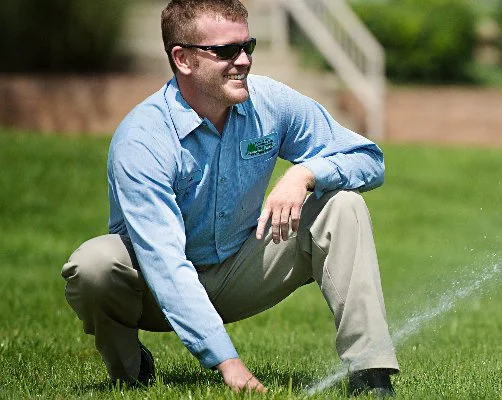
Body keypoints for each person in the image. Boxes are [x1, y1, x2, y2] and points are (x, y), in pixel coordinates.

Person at [60, 0, 399, 395]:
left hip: (243, 268)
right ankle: (132, 371)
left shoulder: (270, 102)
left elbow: (368, 159)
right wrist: (227, 362)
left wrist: (306, 174)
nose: (243, 61)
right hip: (153, 288)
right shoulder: (142, 139)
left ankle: (370, 372)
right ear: (183, 59)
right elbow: (165, 262)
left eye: (247, 46)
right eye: (225, 51)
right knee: (94, 265)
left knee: (344, 205)